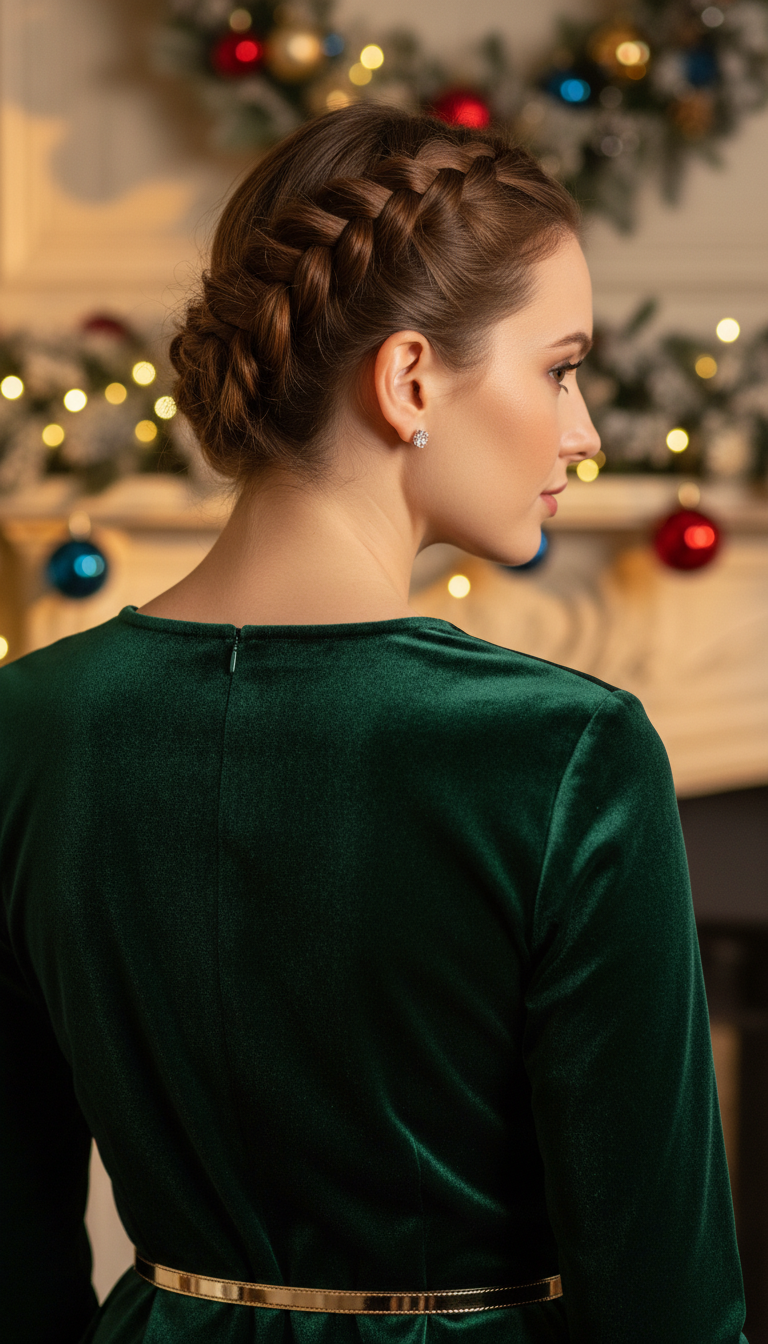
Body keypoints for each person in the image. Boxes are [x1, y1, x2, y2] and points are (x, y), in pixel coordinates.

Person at [0, 104, 747, 1344]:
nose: (585, 434)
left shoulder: (29, 728)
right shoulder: (566, 754)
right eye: (560, 368)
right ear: (409, 380)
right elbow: (665, 1297)